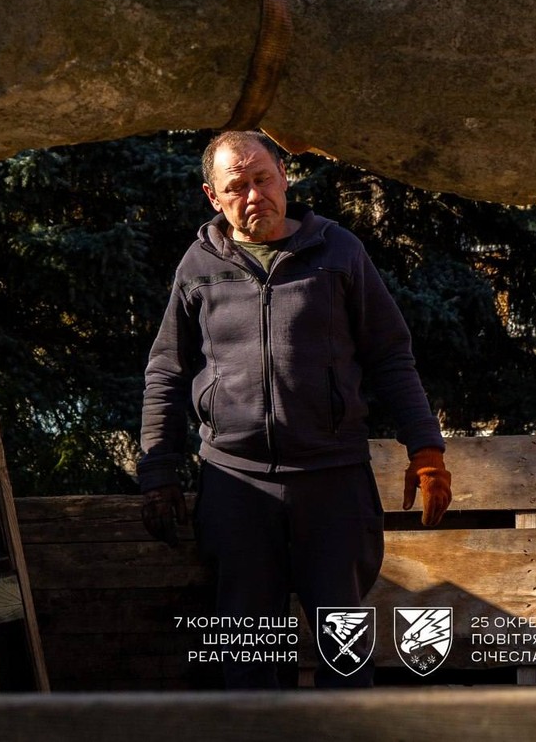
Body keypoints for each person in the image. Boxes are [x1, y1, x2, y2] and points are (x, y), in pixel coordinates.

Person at [137, 130, 452, 688]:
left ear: (284, 176)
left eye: (263, 179)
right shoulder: (197, 266)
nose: (254, 195)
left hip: (333, 485)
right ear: (213, 197)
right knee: (249, 665)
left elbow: (390, 356)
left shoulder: (340, 252)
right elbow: (166, 371)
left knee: (344, 658)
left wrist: (426, 451)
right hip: (235, 488)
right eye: (237, 187)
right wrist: (158, 472)